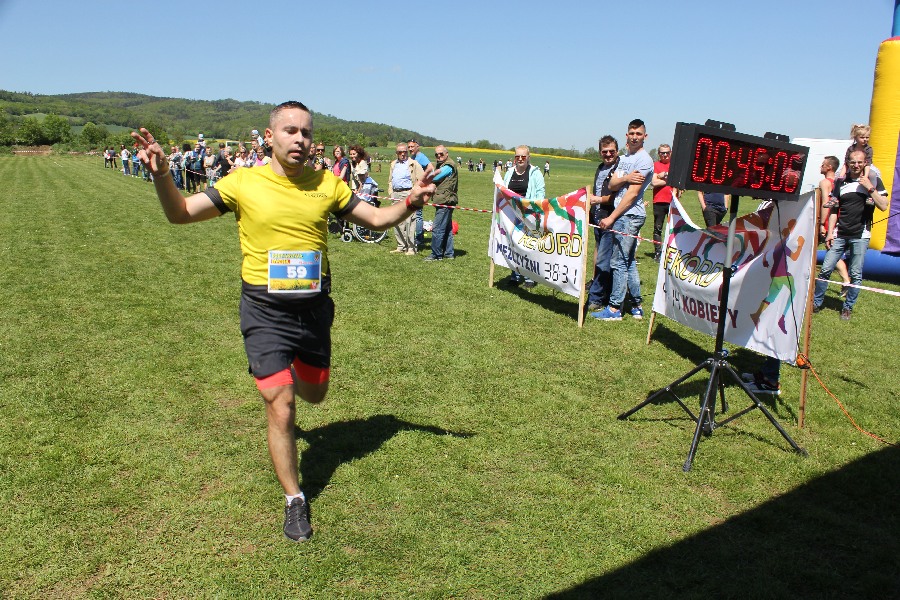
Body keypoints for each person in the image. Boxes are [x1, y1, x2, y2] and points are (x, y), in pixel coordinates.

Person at [130, 100, 435, 543]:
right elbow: (180, 213)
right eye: (290, 130)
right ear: (270, 136)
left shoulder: (327, 184)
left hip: (313, 309)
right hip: (264, 310)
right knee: (281, 404)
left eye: (306, 132)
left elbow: (376, 219)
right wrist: (161, 175)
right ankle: (294, 498)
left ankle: (287, 368)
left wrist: (409, 201)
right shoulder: (242, 182)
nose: (299, 139)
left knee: (315, 394)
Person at [812, 149, 887, 320]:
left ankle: (847, 308)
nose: (856, 165)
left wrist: (869, 188)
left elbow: (883, 205)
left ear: (865, 163)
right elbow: (834, 210)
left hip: (861, 235)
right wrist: (830, 233)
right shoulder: (841, 182)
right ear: (848, 163)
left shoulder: (873, 179)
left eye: (859, 162)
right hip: (839, 234)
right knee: (825, 269)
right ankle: (816, 303)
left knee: (856, 274)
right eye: (853, 162)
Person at [592, 119, 654, 321]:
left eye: (638, 134)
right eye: (632, 133)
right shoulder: (626, 158)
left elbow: (631, 195)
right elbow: (612, 184)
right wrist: (626, 178)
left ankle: (614, 309)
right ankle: (636, 305)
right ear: (627, 135)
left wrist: (611, 217)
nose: (635, 137)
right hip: (623, 214)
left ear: (645, 136)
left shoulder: (644, 160)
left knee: (618, 262)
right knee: (629, 262)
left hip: (629, 215)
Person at [585, 136, 620, 312]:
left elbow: (619, 197)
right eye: (604, 152)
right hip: (598, 219)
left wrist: (599, 200)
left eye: (611, 151)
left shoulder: (619, 169)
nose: (608, 154)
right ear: (600, 153)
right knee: (600, 256)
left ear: (617, 151)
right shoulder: (600, 168)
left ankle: (597, 298)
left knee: (604, 260)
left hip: (611, 219)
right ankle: (603, 291)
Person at [503, 145, 545, 289]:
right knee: (513, 244)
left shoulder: (535, 173)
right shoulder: (509, 172)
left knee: (527, 245)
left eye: (523, 156)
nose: (520, 159)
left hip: (529, 215)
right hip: (511, 214)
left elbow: (540, 193)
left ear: (528, 157)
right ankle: (515, 275)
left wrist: (533, 209)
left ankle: (529, 277)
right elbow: (504, 190)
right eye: (517, 156)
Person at [817, 156, 851, 296]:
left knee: (831, 251)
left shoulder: (825, 182)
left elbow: (826, 203)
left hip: (826, 220)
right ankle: (846, 281)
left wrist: (821, 224)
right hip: (837, 219)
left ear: (829, 167)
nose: (820, 166)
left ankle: (846, 281)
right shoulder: (838, 182)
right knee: (832, 251)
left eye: (823, 164)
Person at [388, 142, 425, 255]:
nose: (403, 154)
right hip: (395, 194)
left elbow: (422, 179)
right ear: (396, 153)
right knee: (397, 220)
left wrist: (414, 192)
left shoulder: (414, 163)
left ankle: (411, 248)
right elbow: (390, 180)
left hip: (408, 193)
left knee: (410, 221)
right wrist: (391, 192)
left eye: (405, 152)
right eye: (400, 152)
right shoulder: (393, 164)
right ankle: (401, 246)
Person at [425, 145, 457, 261]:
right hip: (445, 200)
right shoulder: (442, 164)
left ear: (447, 154)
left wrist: (424, 179)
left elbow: (436, 177)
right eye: (436, 154)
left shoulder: (448, 166)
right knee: (447, 229)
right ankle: (449, 253)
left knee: (437, 228)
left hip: (445, 201)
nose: (438, 156)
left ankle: (436, 254)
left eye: (441, 154)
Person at [650, 143, 675, 261]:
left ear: (671, 153)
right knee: (658, 228)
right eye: (662, 153)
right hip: (659, 201)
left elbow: (678, 181)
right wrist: (669, 179)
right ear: (659, 154)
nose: (665, 155)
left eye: (667, 153)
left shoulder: (674, 166)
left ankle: (671, 252)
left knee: (673, 229)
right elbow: (654, 183)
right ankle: (658, 253)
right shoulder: (655, 165)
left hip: (673, 201)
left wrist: (663, 176)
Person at [407, 140, 433, 250]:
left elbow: (431, 168)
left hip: (420, 190)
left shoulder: (421, 157)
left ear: (418, 147)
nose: (410, 149)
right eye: (409, 147)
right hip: (413, 189)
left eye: (412, 146)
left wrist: (424, 183)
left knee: (418, 215)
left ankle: (419, 239)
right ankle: (414, 236)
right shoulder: (413, 157)